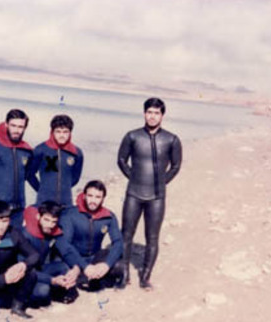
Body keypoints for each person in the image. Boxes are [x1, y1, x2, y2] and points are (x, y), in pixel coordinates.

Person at [117, 97, 182, 290]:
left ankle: (145, 277)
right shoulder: (132, 136)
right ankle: (124, 275)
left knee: (152, 238)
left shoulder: (171, 139)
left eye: (156, 113)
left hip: (157, 196)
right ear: (144, 113)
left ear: (162, 115)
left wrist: (162, 181)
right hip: (134, 193)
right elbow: (121, 160)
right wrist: (133, 177)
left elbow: (176, 166)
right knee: (126, 235)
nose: (152, 116)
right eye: (149, 112)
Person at [59, 180, 125, 291]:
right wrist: (83, 266)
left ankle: (91, 278)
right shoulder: (70, 215)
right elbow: (64, 245)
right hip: (74, 259)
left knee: (118, 265)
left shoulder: (108, 216)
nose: (93, 201)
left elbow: (118, 242)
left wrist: (106, 265)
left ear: (103, 199)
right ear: (84, 195)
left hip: (94, 257)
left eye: (98, 197)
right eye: (90, 196)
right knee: (62, 272)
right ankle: (85, 277)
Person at [22, 201, 81, 306]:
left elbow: (66, 250)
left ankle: (60, 290)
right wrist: (52, 280)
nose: (50, 225)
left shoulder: (52, 231)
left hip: (40, 269)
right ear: (38, 216)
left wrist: (76, 268)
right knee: (43, 291)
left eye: (54, 222)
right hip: (26, 275)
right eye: (46, 220)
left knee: (64, 267)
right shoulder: (26, 235)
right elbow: (24, 271)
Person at [26, 114, 83, 208]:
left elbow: (75, 178)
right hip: (44, 202)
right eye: (58, 132)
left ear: (70, 133)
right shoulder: (41, 150)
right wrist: (41, 189)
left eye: (65, 132)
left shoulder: (76, 153)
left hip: (66, 203)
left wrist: (64, 187)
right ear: (52, 132)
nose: (62, 135)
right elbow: (29, 174)